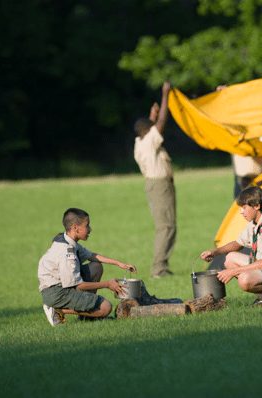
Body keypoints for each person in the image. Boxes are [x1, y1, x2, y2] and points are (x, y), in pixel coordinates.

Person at [37, 208, 137, 326]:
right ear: (75, 227)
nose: (90, 229)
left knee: (96, 267)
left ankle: (87, 317)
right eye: (87, 225)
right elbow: (78, 285)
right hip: (57, 292)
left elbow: (92, 256)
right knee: (106, 307)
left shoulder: (67, 239)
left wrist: (119, 263)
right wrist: (107, 284)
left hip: (60, 286)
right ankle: (56, 309)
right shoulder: (66, 252)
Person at [133, 81, 177, 278]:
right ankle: (159, 269)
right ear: (148, 131)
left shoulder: (140, 142)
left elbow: (151, 127)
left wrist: (152, 115)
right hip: (160, 185)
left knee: (166, 226)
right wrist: (165, 95)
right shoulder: (149, 140)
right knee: (166, 227)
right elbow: (161, 123)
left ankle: (162, 267)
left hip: (154, 184)